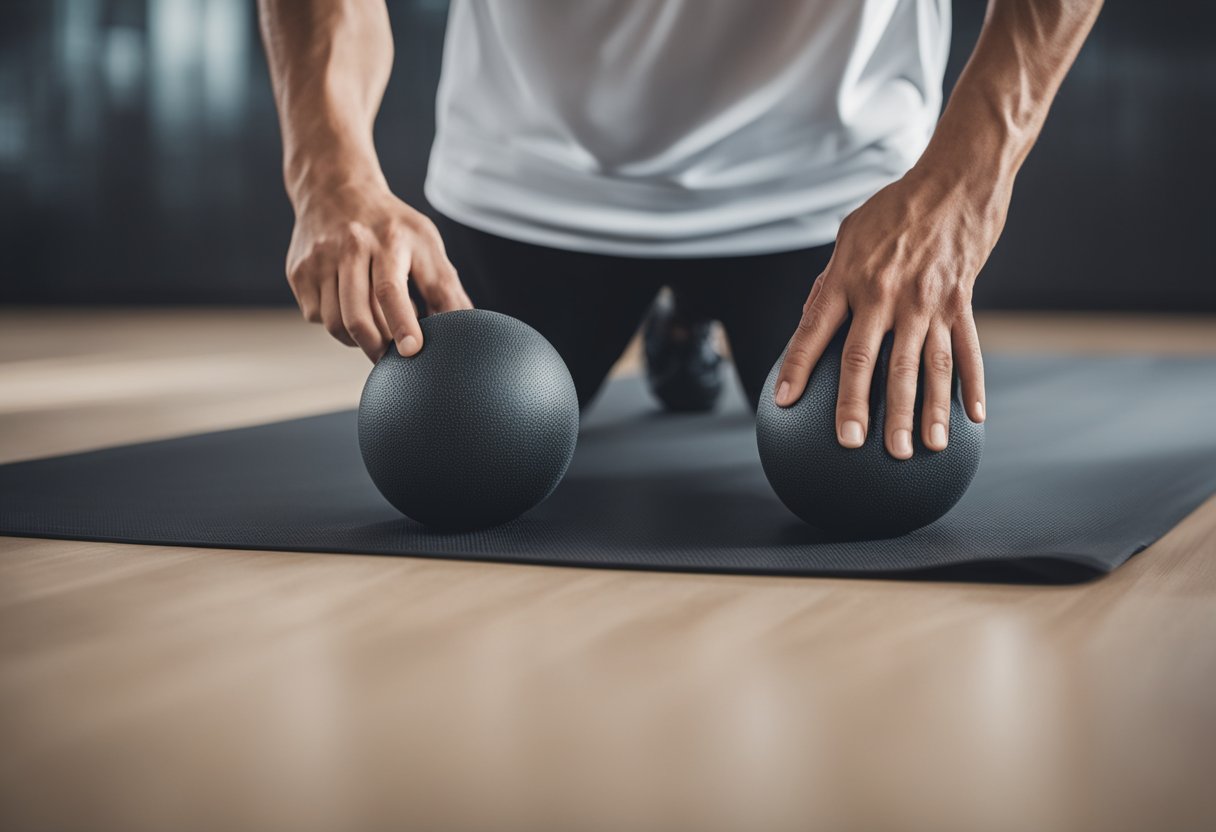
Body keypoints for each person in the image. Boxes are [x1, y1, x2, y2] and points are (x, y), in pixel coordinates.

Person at [259, 0, 1101, 459]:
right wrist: (328, 173)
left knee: (869, 466)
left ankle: (690, 311)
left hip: (825, 178)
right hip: (535, 163)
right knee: (464, 448)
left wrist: (963, 189)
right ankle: (680, 306)